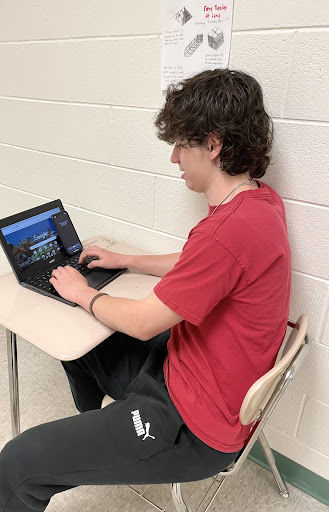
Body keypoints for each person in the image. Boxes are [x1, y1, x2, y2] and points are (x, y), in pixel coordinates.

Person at [0, 69, 291, 512]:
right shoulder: (258, 203)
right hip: (190, 370)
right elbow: (199, 265)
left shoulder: (227, 232)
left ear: (212, 145)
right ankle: (99, 432)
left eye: (181, 145)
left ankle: (105, 439)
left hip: (193, 427)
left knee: (17, 463)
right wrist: (127, 261)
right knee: (77, 342)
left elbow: (141, 323)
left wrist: (84, 292)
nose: (174, 157)